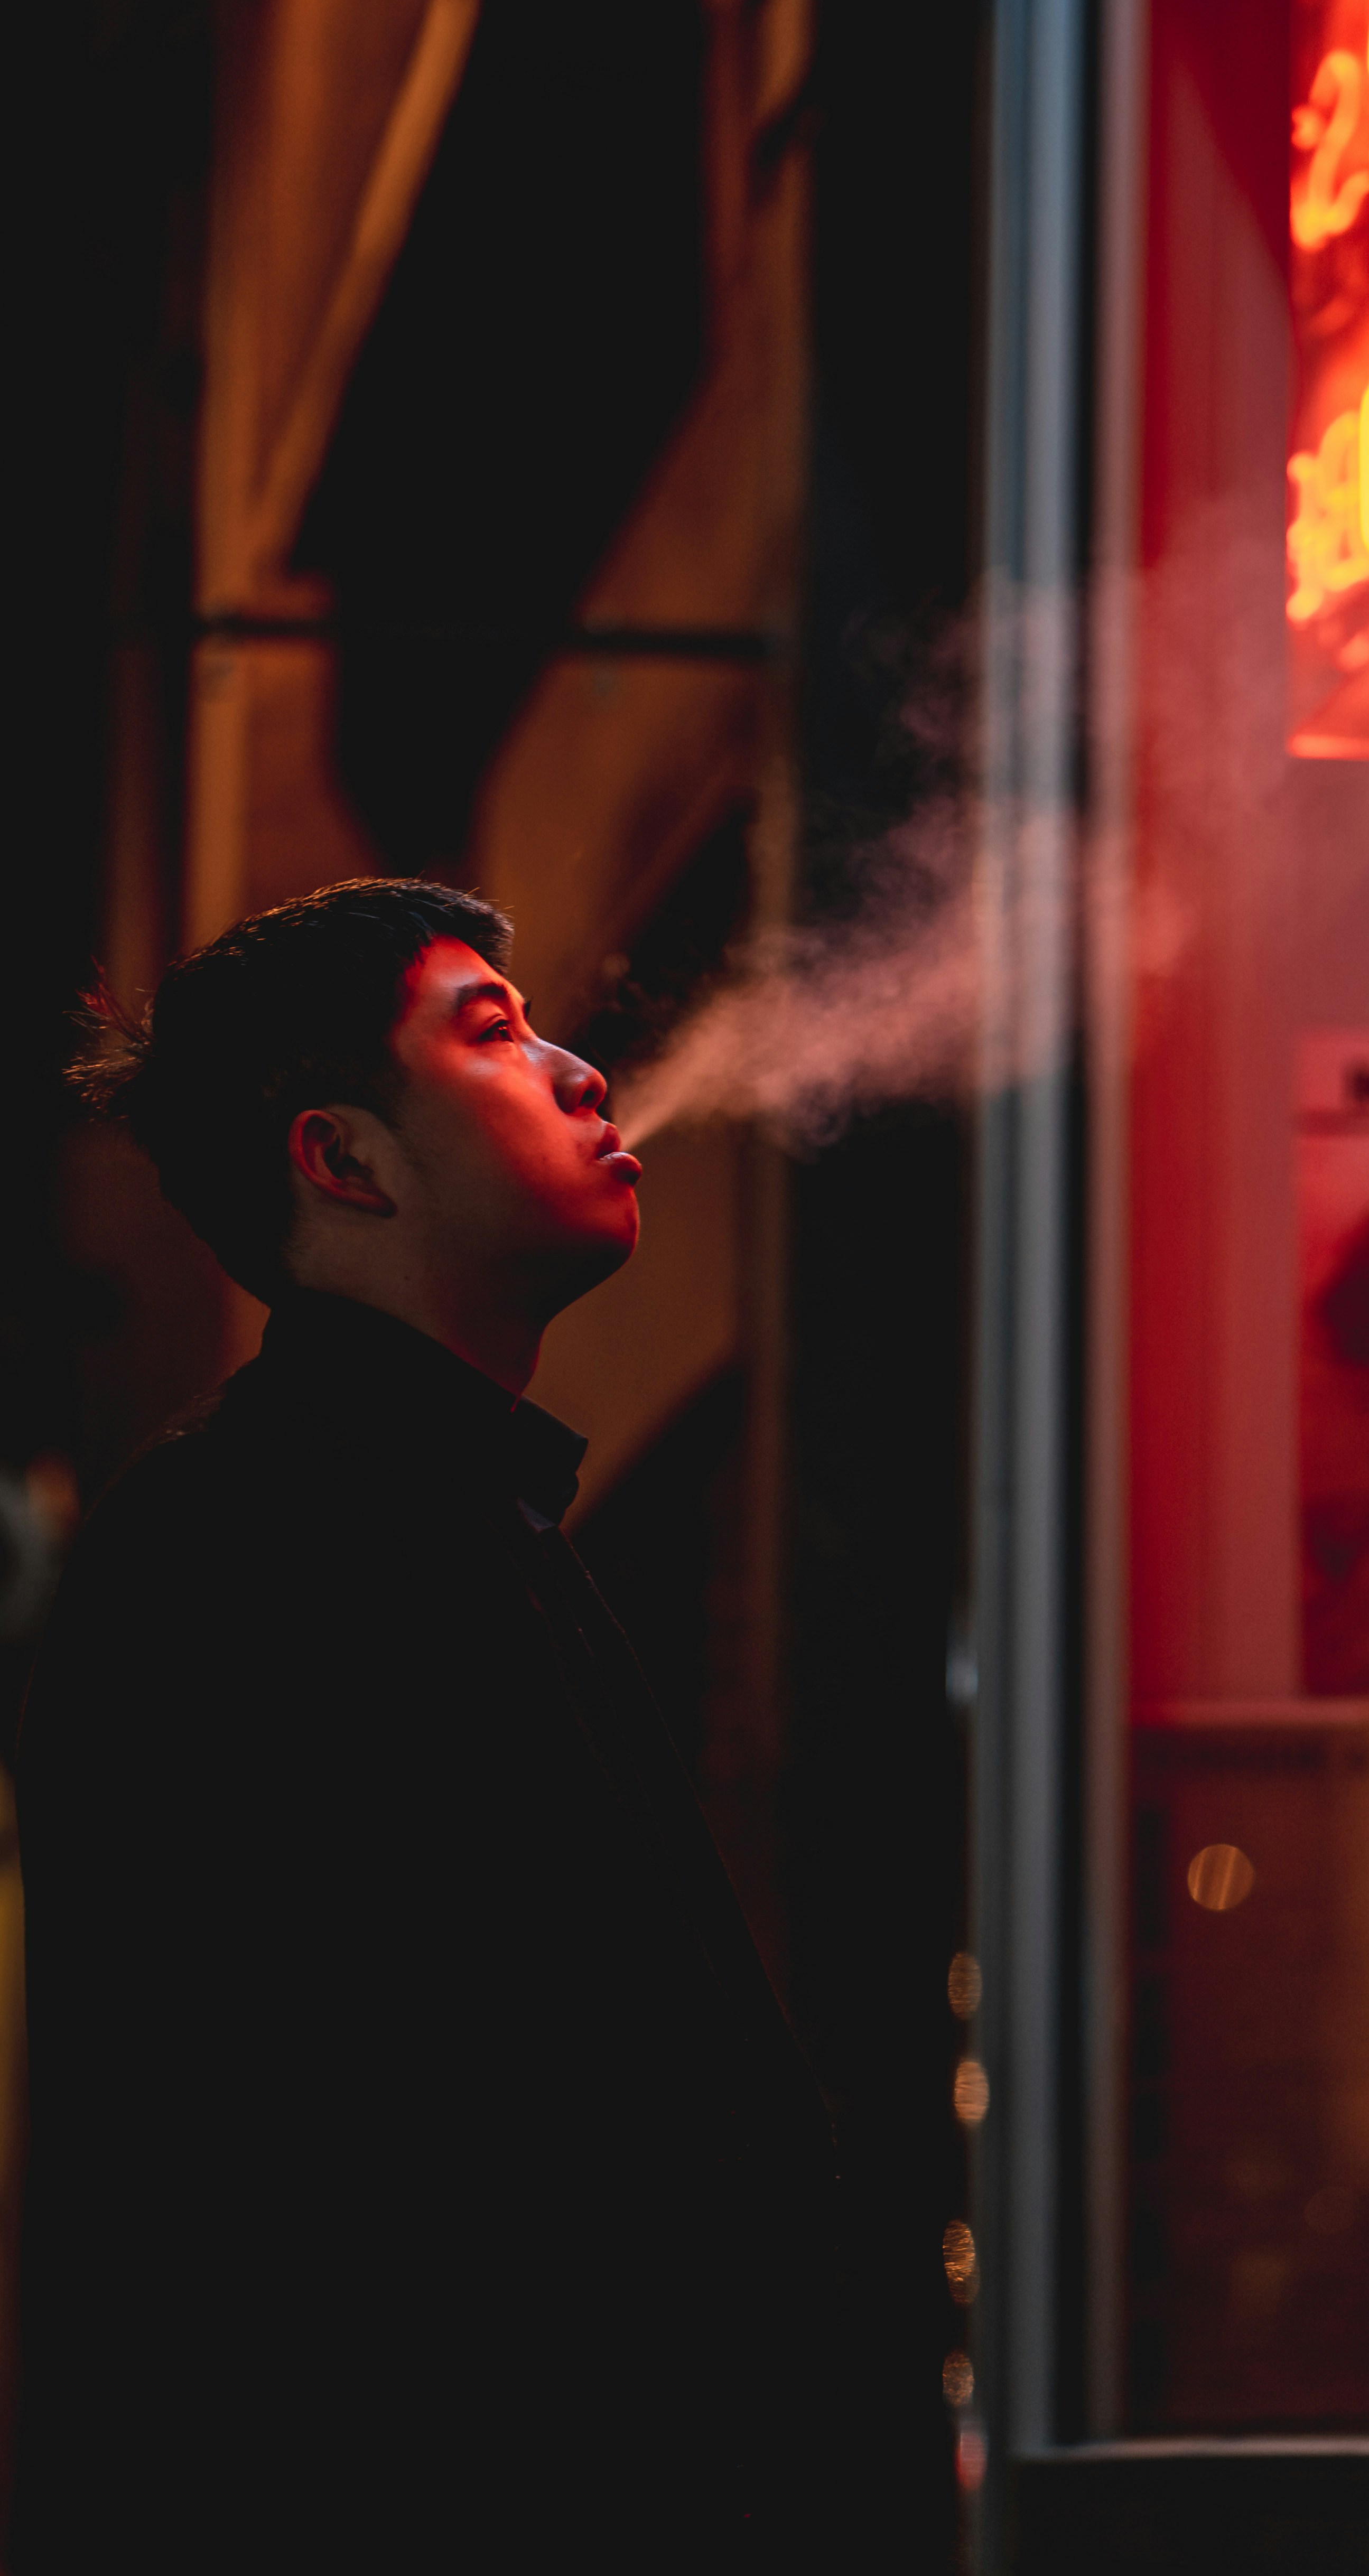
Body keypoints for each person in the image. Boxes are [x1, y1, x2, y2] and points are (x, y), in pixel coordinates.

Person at [13, 881, 846, 2569]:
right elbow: (322, 2173)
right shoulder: (253, 1543)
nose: (581, 1071)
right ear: (345, 1159)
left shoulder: (444, 1516)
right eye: (492, 1035)